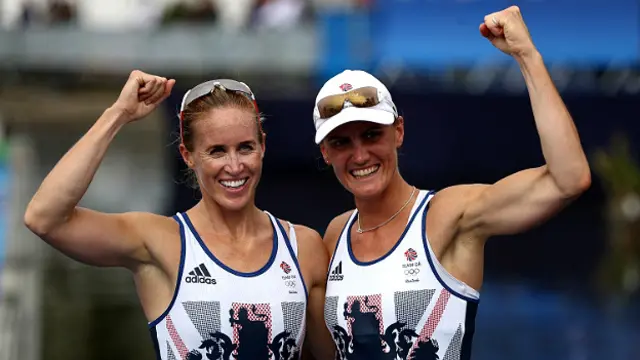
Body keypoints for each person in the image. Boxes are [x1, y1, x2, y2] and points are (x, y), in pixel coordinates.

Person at [314, 6, 591, 360]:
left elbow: (569, 179)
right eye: (342, 142)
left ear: (398, 132)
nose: (360, 154)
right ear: (326, 152)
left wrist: (527, 56)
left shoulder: (447, 215)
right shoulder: (335, 235)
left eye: (371, 135)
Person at [23, 71, 334, 360]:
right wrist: (117, 115)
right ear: (187, 155)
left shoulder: (303, 247)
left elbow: (333, 355)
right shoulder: (160, 240)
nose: (235, 165)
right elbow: (44, 217)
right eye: (216, 151)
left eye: (246, 147)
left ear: (263, 146)